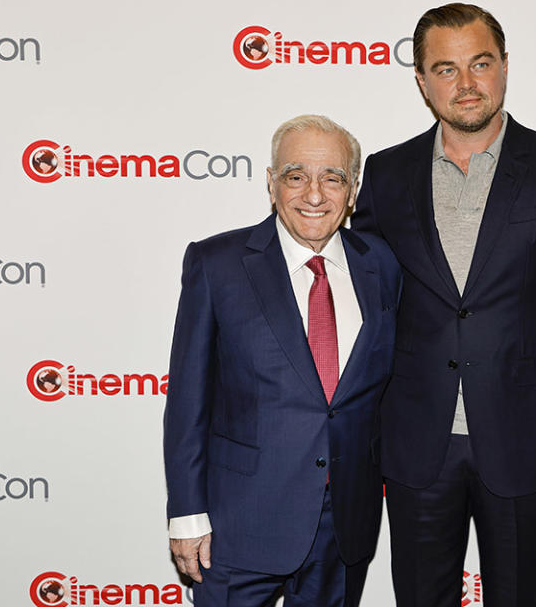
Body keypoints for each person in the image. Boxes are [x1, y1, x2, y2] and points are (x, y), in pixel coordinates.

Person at [352, 3, 536, 607]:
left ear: (504, 67)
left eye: (480, 63)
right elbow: (363, 299)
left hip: (526, 438)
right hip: (416, 440)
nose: (465, 84)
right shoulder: (386, 174)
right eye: (445, 68)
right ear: (421, 81)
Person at [164, 114, 401, 607]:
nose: (314, 194)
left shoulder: (381, 264)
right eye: (296, 176)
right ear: (272, 184)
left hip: (345, 527)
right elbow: (187, 402)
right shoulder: (217, 265)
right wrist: (187, 514)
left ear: (352, 190)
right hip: (237, 525)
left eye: (332, 178)